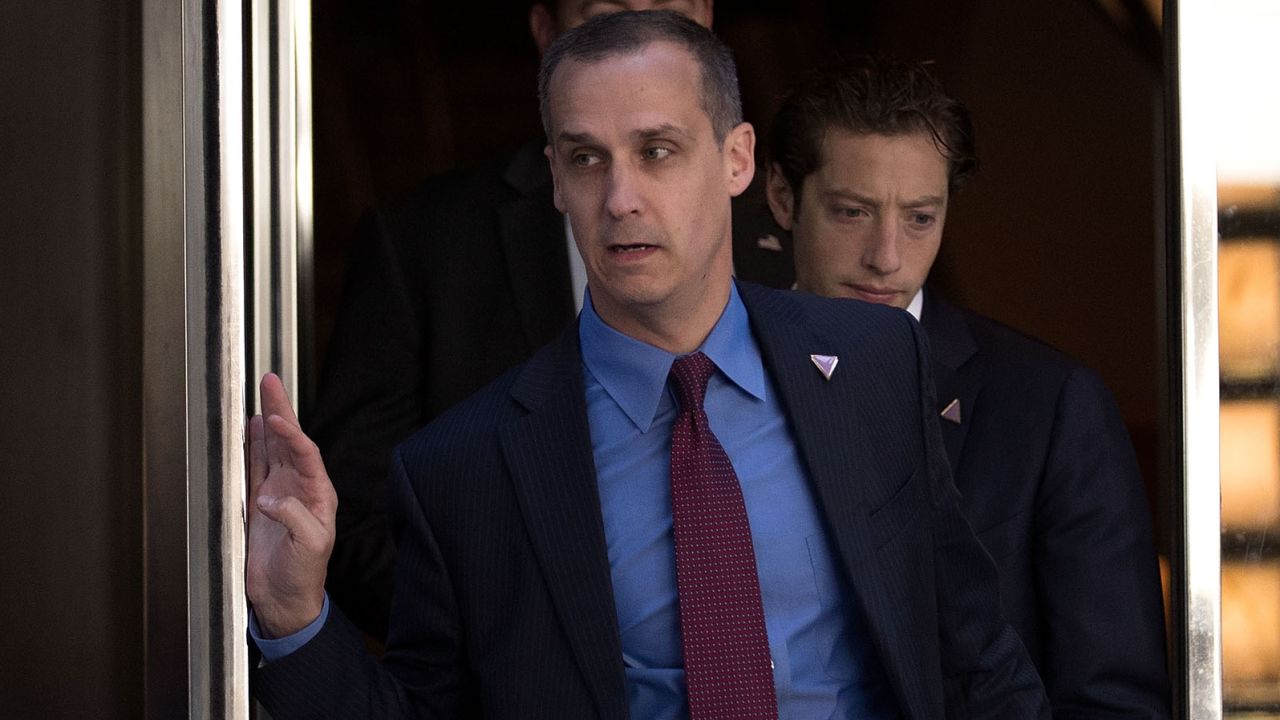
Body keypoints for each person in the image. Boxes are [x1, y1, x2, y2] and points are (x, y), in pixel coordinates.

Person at [247, 11, 1049, 718]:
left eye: (658, 150)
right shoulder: (465, 466)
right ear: (556, 180)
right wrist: (295, 619)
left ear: (738, 161)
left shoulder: (872, 363)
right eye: (587, 159)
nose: (621, 196)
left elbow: (977, 661)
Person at [307, 0, 791, 642]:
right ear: (544, 32)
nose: (624, 199)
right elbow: (355, 519)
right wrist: (521, 653)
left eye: (666, 14)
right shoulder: (423, 244)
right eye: (606, 15)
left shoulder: (791, 240)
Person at [763, 56, 1171, 717]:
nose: (887, 256)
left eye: (920, 217)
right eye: (851, 212)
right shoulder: (708, 380)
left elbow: (1113, 701)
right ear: (783, 197)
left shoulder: (1048, 405)